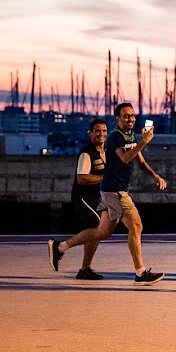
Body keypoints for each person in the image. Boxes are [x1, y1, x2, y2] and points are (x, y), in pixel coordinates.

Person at [48, 102, 168, 285]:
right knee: (136, 226)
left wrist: (155, 175)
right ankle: (140, 273)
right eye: (126, 116)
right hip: (115, 191)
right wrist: (144, 142)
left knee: (102, 232)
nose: (130, 119)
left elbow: (139, 161)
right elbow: (125, 157)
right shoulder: (115, 138)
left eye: (132, 116)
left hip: (111, 190)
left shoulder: (131, 136)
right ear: (117, 119)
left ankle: (61, 246)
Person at [60, 118, 107, 280]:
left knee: (97, 232)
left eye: (104, 131)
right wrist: (104, 178)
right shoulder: (87, 153)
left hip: (96, 197)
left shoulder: (105, 152)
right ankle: (60, 247)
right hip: (83, 196)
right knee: (97, 228)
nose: (101, 134)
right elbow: (82, 178)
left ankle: (85, 269)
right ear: (91, 133)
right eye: (97, 131)